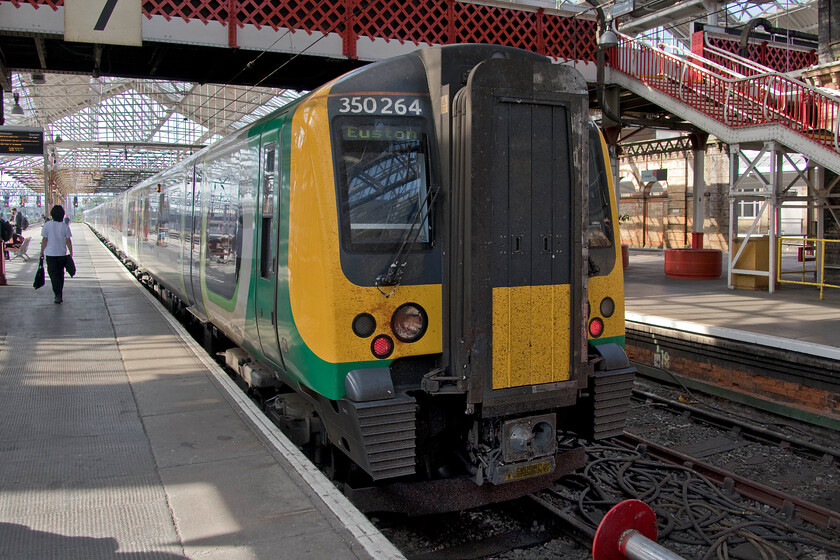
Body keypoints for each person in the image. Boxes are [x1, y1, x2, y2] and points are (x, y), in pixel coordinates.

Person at [40, 205, 73, 304]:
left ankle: (57, 294)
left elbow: (44, 240)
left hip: (50, 255)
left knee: (53, 275)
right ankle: (59, 293)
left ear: (52, 214)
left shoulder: (47, 225)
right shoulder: (64, 226)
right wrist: (71, 252)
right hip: (61, 254)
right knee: (60, 274)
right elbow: (68, 241)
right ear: (62, 215)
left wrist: (41, 251)